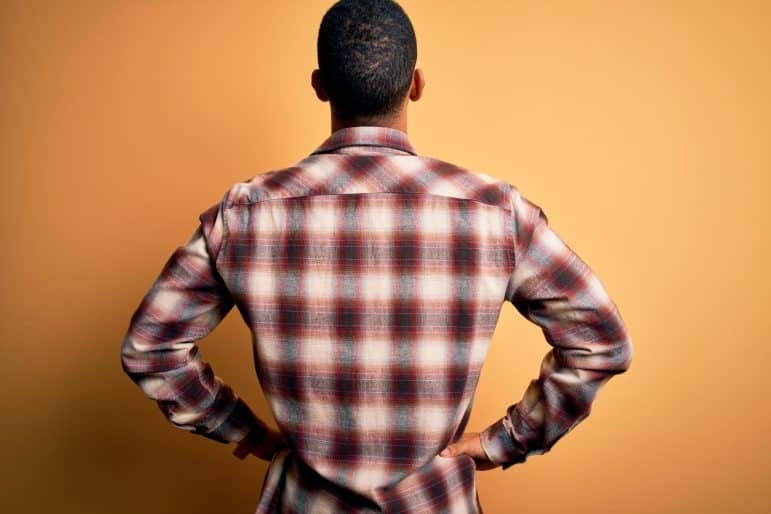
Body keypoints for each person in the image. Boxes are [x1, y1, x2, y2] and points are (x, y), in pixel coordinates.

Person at [119, 0, 634, 512]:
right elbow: (600, 342)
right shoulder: (496, 213)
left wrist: (245, 431)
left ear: (320, 86)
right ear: (416, 84)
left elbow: (150, 348)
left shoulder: (244, 215)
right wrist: (508, 440)